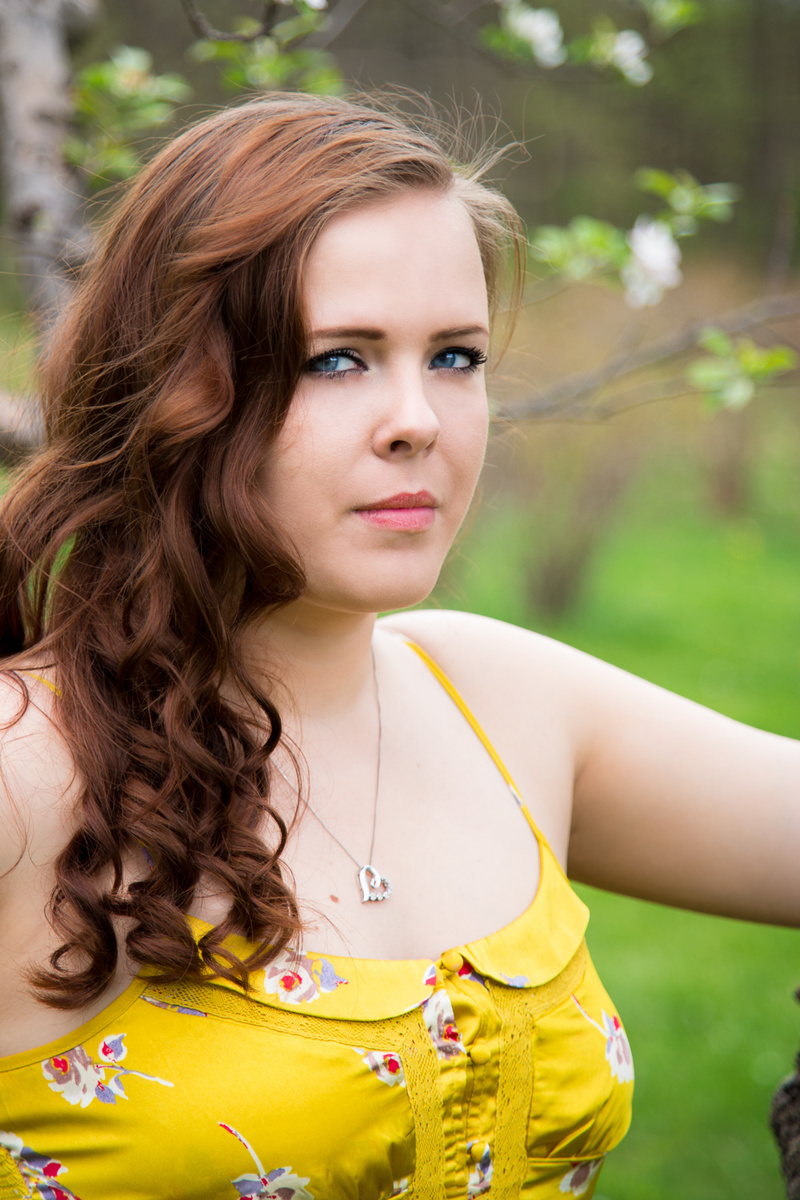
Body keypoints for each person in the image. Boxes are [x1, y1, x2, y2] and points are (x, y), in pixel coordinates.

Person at [0, 92, 796, 1200]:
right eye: (339, 359)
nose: (416, 418)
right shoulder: (24, 770)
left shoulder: (495, 699)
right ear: (176, 382)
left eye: (456, 357)